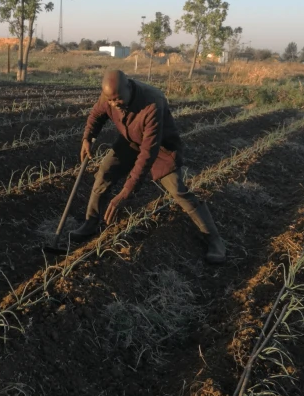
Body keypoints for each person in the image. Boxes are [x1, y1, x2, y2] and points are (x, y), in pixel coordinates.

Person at [69, 69, 226, 263]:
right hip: (130, 141)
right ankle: (91, 223)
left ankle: (214, 239)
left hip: (160, 147)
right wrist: (87, 137)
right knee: (105, 172)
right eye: (111, 100)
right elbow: (96, 114)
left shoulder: (152, 102)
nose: (114, 104)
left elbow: (148, 153)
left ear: (128, 87)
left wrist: (126, 192)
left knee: (178, 191)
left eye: (118, 99)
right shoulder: (110, 94)